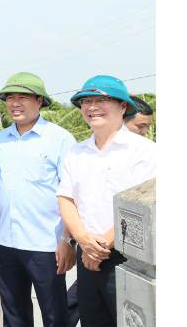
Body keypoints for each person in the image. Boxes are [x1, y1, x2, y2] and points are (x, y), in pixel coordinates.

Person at [57, 75, 156, 327]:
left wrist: (99, 248)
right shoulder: (77, 151)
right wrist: (79, 240)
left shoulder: (144, 151)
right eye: (85, 101)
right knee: (93, 321)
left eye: (101, 100)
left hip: (126, 259)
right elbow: (66, 199)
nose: (91, 107)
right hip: (87, 255)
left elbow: (141, 210)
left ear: (123, 106)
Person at [0, 73, 77, 327]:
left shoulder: (60, 138)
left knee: (54, 314)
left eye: (23, 97)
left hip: (47, 243)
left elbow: (73, 194)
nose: (15, 103)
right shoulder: (0, 139)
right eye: (10, 98)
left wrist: (68, 240)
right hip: (7, 242)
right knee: (14, 314)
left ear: (39, 101)